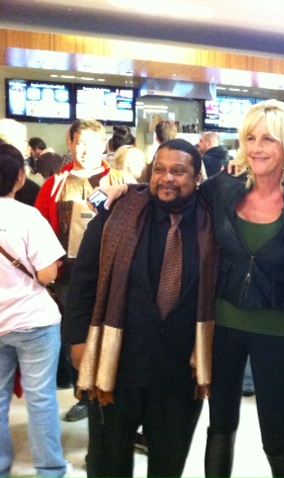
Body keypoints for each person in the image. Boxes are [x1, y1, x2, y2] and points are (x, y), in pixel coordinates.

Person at [62, 139, 216, 478]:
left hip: (178, 372)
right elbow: (84, 278)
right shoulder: (118, 213)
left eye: (179, 171)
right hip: (117, 365)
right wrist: (76, 339)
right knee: (107, 463)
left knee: (168, 465)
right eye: (159, 170)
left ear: (197, 178)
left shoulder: (213, 223)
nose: (167, 178)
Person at [198, 100, 284, 478]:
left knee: (275, 436)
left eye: (268, 138)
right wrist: (123, 194)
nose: (256, 147)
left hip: (278, 328)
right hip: (225, 324)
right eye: (250, 137)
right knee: (220, 427)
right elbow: (176, 201)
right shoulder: (224, 187)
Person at [34, 119, 125, 422]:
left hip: (113, 275)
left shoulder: (119, 180)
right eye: (80, 143)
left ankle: (112, 393)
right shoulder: (54, 185)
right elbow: (40, 230)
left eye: (92, 143)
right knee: (74, 337)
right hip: (69, 276)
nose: (85, 150)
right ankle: (82, 395)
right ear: (70, 143)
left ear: (103, 145)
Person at [0, 143, 70, 478]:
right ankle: (50, 468)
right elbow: (47, 273)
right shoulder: (28, 216)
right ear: (20, 176)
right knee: (41, 398)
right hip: (34, 322)